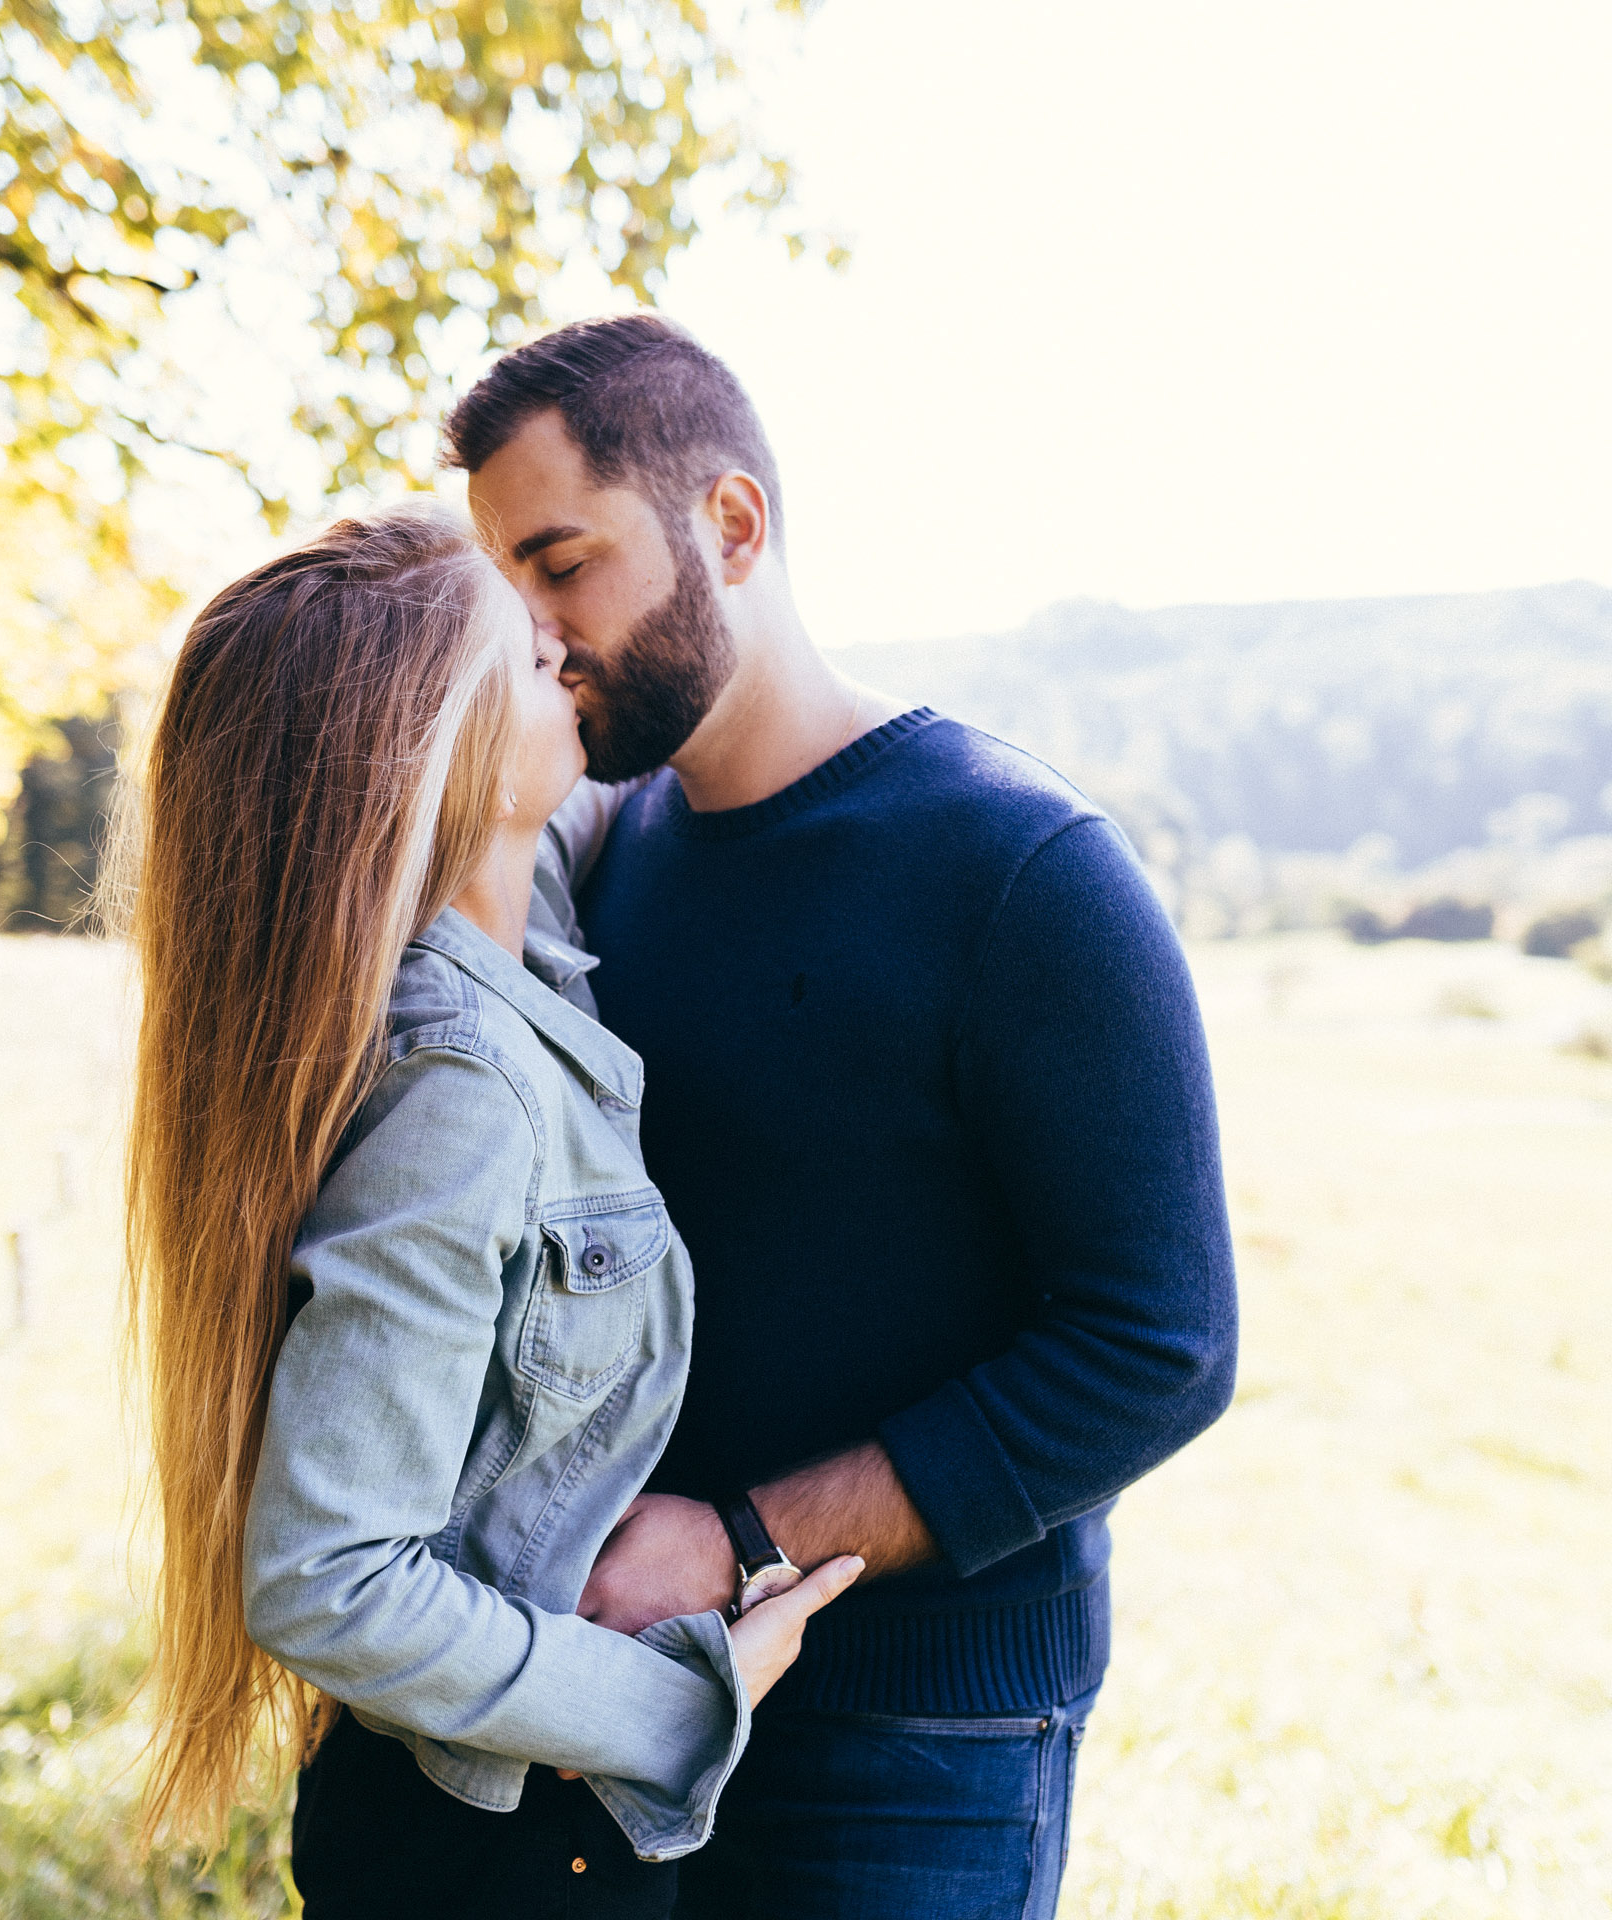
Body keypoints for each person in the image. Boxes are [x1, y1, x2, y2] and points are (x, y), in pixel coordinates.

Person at [446, 315, 1240, 1919]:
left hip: (920, 1736)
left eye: (562, 565)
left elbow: (1161, 1348)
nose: (531, 638)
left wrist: (739, 1540)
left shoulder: (1024, 873)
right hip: (627, 1705)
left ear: (730, 526)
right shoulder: (612, 853)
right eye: (501, 594)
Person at [116, 504, 859, 1917]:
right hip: (500, 1855)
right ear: (446, 755)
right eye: (527, 659)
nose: (570, 659)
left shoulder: (529, 964)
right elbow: (326, 1575)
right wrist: (673, 1707)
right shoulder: (461, 1092)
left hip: (493, 1828)